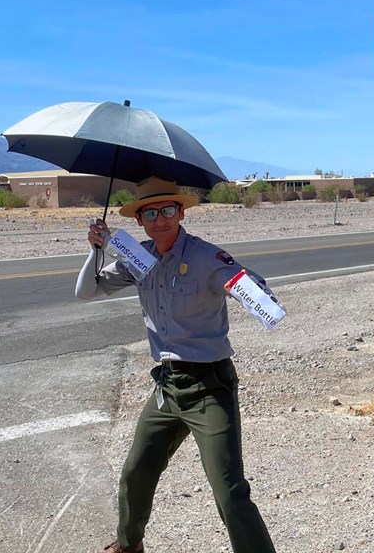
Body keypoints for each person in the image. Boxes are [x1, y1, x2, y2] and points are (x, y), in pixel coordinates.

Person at [75, 176, 277, 553]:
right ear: (139, 220)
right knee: (136, 472)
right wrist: (97, 250)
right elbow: (86, 292)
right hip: (167, 387)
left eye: (168, 209)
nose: (160, 218)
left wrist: (255, 294)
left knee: (229, 489)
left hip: (209, 387)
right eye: (150, 212)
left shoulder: (205, 257)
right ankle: (128, 544)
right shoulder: (139, 258)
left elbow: (242, 280)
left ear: (181, 212)